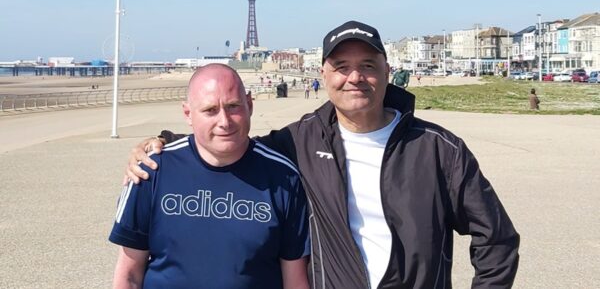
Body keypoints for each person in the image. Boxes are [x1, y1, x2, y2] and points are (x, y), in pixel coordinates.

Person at [125, 21, 520, 288]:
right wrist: (158, 142)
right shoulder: (300, 141)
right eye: (341, 66)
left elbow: (497, 238)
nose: (355, 77)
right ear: (325, 75)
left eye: (367, 65)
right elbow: (231, 138)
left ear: (386, 70)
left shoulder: (437, 149)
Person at [110, 64, 310, 289]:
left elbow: (295, 280)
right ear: (188, 114)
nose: (224, 121)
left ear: (250, 105)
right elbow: (129, 274)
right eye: (210, 110)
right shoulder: (150, 171)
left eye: (233, 106)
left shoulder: (284, 178)